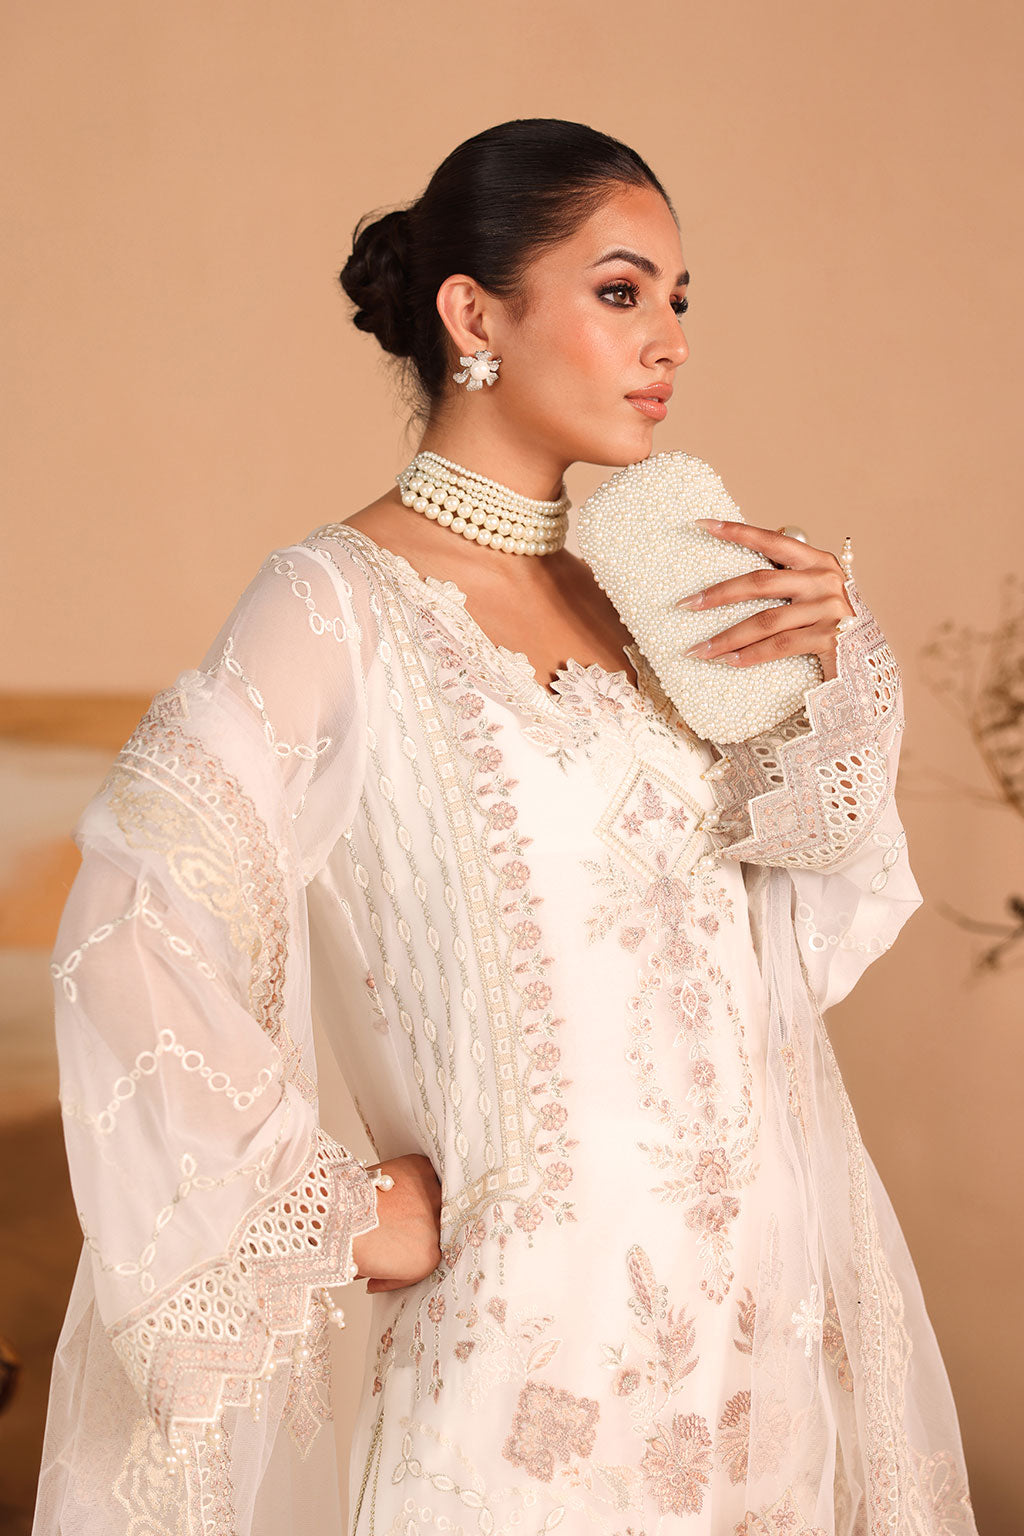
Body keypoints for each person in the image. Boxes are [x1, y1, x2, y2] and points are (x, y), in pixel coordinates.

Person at [33, 118, 977, 1536]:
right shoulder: (335, 603)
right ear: (473, 316)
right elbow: (132, 924)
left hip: (760, 1336)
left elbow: (792, 944)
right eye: (620, 291)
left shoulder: (651, 605)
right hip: (533, 1356)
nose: (668, 341)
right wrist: (328, 1210)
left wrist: (835, 684)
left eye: (678, 300)